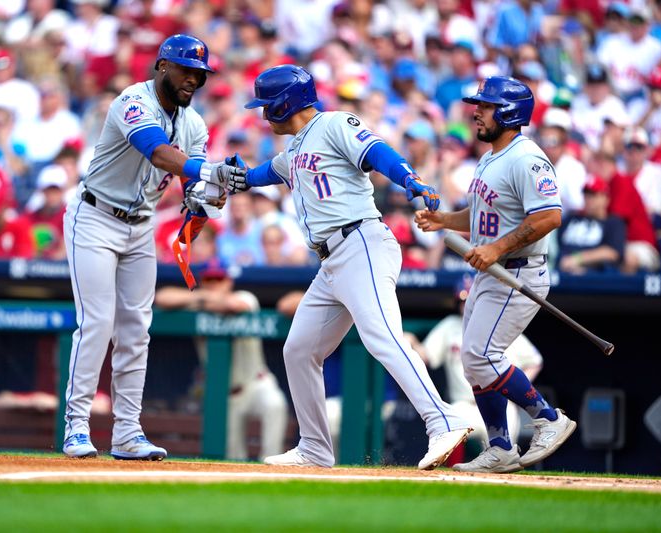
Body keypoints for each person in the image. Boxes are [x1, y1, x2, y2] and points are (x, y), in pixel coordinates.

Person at [226, 64, 472, 469]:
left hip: (361, 243)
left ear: (287, 103)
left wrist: (409, 180)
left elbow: (377, 153)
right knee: (299, 349)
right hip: (331, 262)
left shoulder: (335, 124)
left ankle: (443, 418)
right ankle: (315, 448)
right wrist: (233, 176)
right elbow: (259, 174)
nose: (263, 114)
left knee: (381, 336)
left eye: (268, 106)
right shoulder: (293, 152)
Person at [61, 34, 245, 460]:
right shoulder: (132, 100)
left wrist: (209, 195)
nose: (194, 80)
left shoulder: (194, 124)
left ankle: (127, 432)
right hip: (95, 217)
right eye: (186, 70)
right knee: (97, 323)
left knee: (136, 330)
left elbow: (192, 185)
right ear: (163, 66)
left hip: (139, 226)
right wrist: (209, 171)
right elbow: (158, 153)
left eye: (200, 74)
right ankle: (75, 427)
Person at [415, 76, 577, 473]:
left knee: (480, 355)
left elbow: (549, 216)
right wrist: (445, 221)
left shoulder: (527, 157)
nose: (476, 112)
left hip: (518, 271)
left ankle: (549, 420)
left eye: (485, 107)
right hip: (494, 271)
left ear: (508, 112)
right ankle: (501, 446)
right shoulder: (491, 157)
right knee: (474, 360)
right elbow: (485, 215)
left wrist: (496, 249)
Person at [154, 262, 289, 461]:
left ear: (229, 281)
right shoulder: (197, 302)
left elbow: (233, 305)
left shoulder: (245, 296)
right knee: (232, 458)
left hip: (257, 382)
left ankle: (274, 464)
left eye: (219, 279)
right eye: (209, 279)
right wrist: (201, 297)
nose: (214, 284)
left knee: (274, 403)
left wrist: (198, 300)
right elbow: (162, 298)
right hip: (225, 394)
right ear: (201, 281)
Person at [419, 274, 544, 454]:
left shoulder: (499, 325)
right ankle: (446, 478)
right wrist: (409, 341)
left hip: (502, 404)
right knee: (444, 428)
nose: (467, 306)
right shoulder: (451, 326)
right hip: (464, 406)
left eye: (471, 300)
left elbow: (535, 361)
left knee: (503, 455)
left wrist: (514, 392)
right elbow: (426, 355)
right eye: (463, 301)